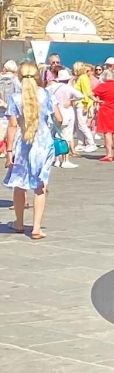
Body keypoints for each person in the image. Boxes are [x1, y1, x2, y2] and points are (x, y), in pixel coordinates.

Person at [2, 62, 57, 240]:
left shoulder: (15, 98)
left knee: (20, 183)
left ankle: (19, 222)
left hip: (22, 143)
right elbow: (58, 117)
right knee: (41, 185)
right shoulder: (46, 94)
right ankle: (36, 227)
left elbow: (12, 126)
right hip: (43, 143)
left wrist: (9, 151)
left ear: (19, 76)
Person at [45, 69, 81, 169]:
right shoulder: (68, 88)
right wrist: (71, 100)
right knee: (66, 136)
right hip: (67, 112)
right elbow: (80, 96)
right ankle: (65, 160)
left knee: (55, 135)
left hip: (55, 112)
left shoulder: (51, 88)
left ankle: (56, 159)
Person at [92, 64, 114, 163]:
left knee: (107, 133)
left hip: (105, 110)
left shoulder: (102, 86)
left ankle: (109, 154)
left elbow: (91, 94)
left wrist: (97, 101)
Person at [72, 62, 98, 153]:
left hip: (82, 103)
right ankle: (80, 143)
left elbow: (86, 92)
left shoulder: (83, 78)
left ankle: (91, 143)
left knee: (82, 124)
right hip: (77, 103)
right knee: (78, 124)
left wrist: (86, 105)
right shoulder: (80, 78)